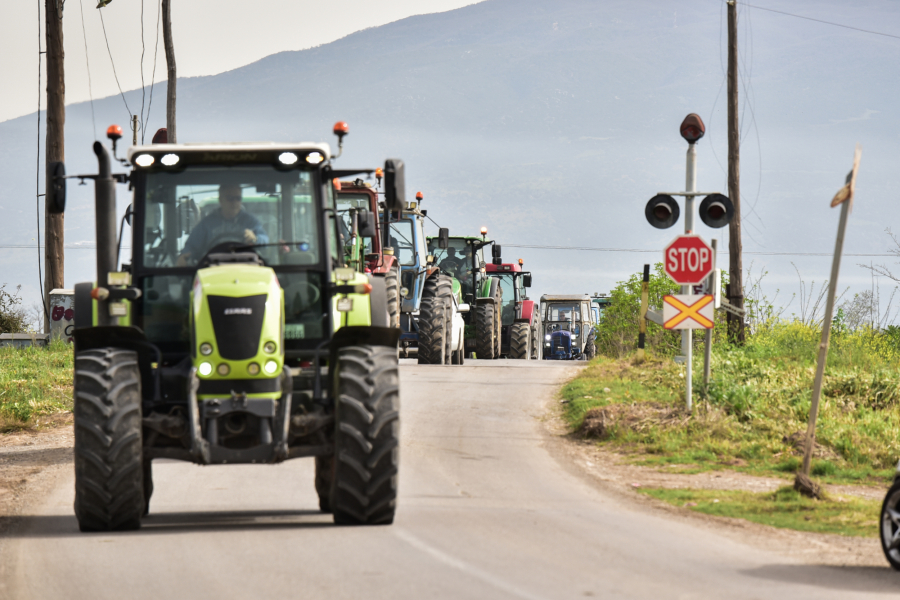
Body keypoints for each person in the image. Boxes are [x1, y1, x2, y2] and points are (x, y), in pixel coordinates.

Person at [177, 183, 269, 266]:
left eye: (238, 198)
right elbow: (192, 246)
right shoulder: (207, 224)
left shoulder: (250, 221)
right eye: (230, 198)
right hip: (213, 269)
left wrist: (255, 239)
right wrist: (183, 257)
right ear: (221, 200)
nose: (234, 202)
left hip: (246, 267)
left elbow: (265, 240)